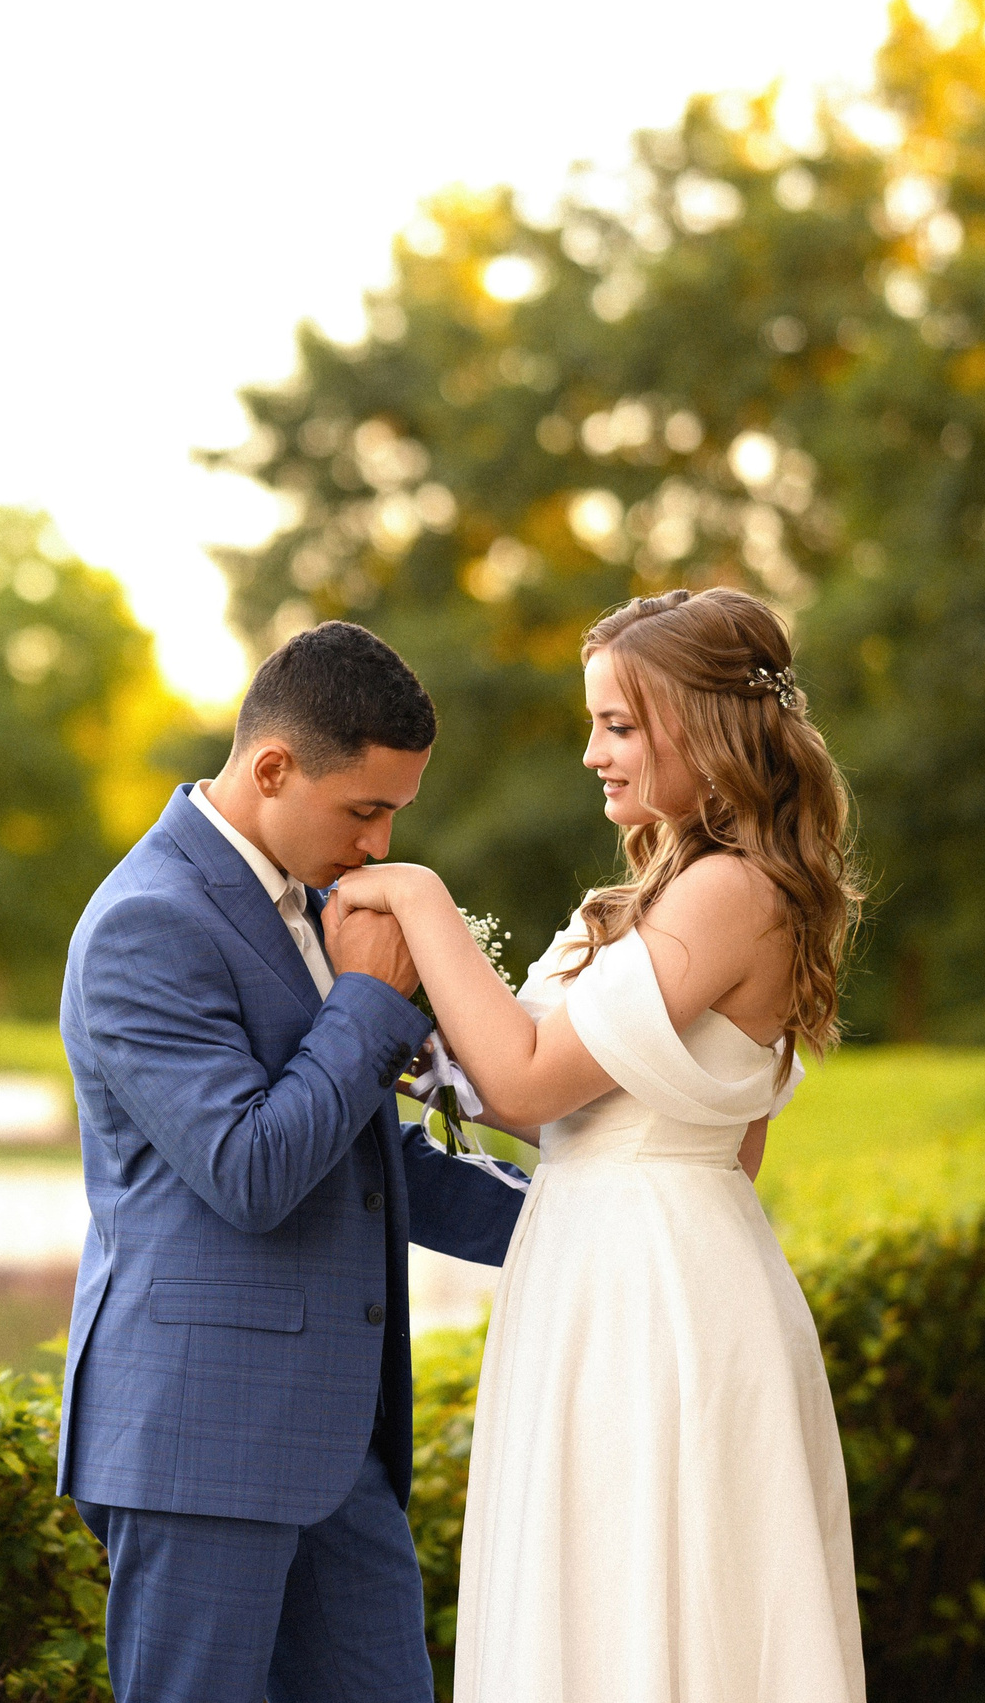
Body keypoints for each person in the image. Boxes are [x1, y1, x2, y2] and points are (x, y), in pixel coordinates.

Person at [332, 586, 869, 1701]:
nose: (591, 754)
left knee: (654, 1592)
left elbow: (528, 1072)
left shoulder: (732, 891)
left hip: (654, 1287)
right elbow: (540, 1101)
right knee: (592, 1592)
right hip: (599, 1261)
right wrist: (410, 1043)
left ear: (706, 727)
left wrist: (420, 900)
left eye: (619, 725)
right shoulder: (660, 893)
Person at [57, 620, 529, 1703]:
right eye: (363, 809)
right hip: (199, 1444)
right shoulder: (144, 924)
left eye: (394, 813)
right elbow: (254, 1169)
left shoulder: (315, 905)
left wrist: (591, 1216)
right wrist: (368, 999)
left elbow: (366, 1155)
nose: (379, 845)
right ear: (272, 767)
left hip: (338, 1453)